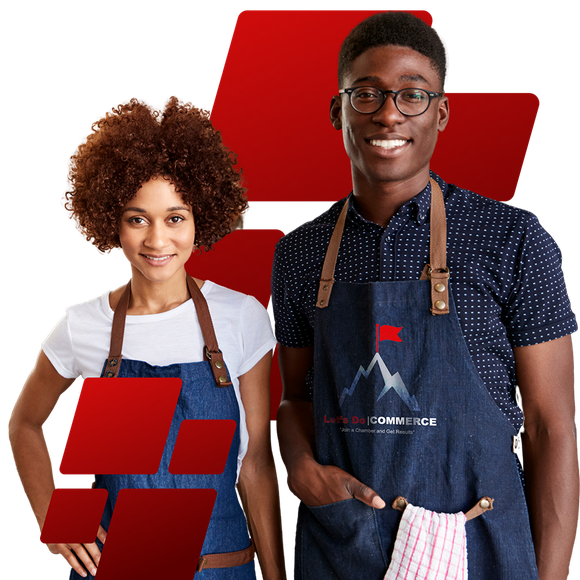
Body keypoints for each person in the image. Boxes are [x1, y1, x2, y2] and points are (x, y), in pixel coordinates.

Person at [273, 11, 578, 580]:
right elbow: (296, 400)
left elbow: (549, 428)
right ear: (337, 110)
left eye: (412, 94)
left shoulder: (513, 238)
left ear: (440, 113)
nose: (388, 112)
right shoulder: (299, 252)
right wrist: (298, 467)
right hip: (342, 549)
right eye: (366, 93)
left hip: (478, 550)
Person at [8, 96, 286, 579]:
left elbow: (256, 464)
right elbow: (24, 425)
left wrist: (277, 575)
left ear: (201, 218)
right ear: (111, 222)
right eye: (138, 219)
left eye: (175, 217)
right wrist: (56, 518)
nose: (158, 240)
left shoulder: (241, 317)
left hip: (224, 567)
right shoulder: (83, 325)